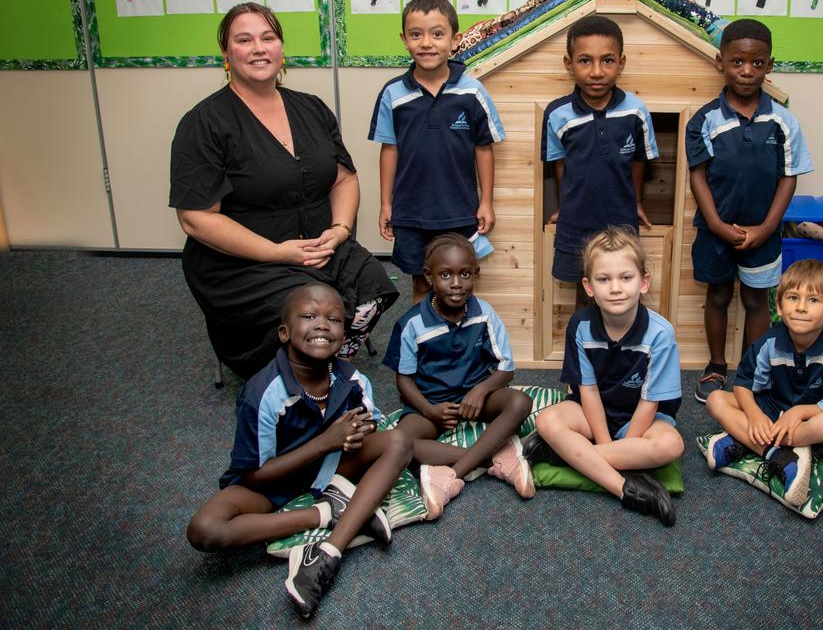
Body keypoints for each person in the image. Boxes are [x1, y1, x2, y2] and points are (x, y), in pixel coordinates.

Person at [170, 2, 398, 378]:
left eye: (268, 37)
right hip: (244, 261)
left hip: (317, 245)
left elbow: (344, 178)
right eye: (244, 40)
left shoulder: (311, 108)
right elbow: (195, 219)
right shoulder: (204, 123)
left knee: (376, 286)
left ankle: (328, 363)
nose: (259, 48)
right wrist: (277, 253)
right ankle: (303, 379)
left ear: (280, 48)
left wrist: (340, 230)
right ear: (227, 54)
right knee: (310, 310)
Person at [186, 284, 414, 619]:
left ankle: (328, 553)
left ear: (344, 333)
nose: (322, 324)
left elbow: (372, 425)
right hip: (269, 484)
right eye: (309, 316)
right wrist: (327, 441)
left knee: (400, 441)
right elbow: (255, 474)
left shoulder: (353, 380)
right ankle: (327, 514)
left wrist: (358, 433)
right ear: (284, 332)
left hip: (332, 468)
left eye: (334, 319)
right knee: (204, 529)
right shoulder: (262, 392)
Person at [686, 18, 813, 403]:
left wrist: (766, 227)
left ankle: (753, 371)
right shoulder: (704, 120)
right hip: (716, 233)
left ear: (769, 65)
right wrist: (715, 223)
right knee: (719, 297)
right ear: (719, 62)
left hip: (763, 234)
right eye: (737, 61)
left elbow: (788, 178)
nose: (746, 71)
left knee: (757, 301)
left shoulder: (783, 121)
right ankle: (716, 367)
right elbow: (698, 176)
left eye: (757, 63)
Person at [528, 227, 684, 527]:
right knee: (547, 421)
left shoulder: (661, 333)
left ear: (643, 282)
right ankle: (623, 488)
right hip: (592, 413)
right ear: (588, 287)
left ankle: (570, 456)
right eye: (604, 279)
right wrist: (612, 447)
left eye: (626, 277)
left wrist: (613, 445)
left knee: (671, 446)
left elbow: (650, 402)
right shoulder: (580, 325)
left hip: (643, 418)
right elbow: (587, 391)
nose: (615, 288)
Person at [383, 233, 534, 520]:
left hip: (475, 400)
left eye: (465, 274)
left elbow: (506, 369)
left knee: (520, 402)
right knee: (399, 442)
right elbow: (403, 380)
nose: (456, 283)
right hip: (431, 406)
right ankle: (496, 456)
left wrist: (481, 390)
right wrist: (430, 410)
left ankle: (453, 474)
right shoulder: (411, 323)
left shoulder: (484, 313)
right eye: (445, 275)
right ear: (429, 276)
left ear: (475, 274)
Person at [369, 0, 505, 305]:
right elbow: (389, 149)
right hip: (411, 213)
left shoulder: (472, 91)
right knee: (420, 284)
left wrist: (486, 202)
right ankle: (423, 344)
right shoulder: (393, 94)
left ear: (455, 40)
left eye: (437, 34)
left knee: (459, 285)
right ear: (405, 40)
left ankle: (459, 345)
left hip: (459, 211)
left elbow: (484, 148)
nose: (427, 43)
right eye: (416, 34)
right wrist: (385, 204)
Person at [704, 259, 823, 507]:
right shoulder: (771, 341)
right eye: (793, 298)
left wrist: (798, 412)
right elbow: (743, 384)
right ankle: (780, 454)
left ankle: (745, 440)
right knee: (716, 400)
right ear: (779, 305)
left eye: (814, 300)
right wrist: (754, 415)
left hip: (816, 413)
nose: (801, 308)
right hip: (775, 405)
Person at [542, 16, 659, 309]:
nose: (596, 72)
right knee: (585, 292)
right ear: (569, 64)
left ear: (621, 63)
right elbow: (560, 166)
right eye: (585, 61)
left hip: (621, 221)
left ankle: (618, 351)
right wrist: (562, 205)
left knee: (623, 291)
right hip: (577, 221)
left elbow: (638, 162)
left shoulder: (636, 110)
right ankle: (586, 350)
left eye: (607, 61)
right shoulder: (557, 113)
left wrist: (637, 202)